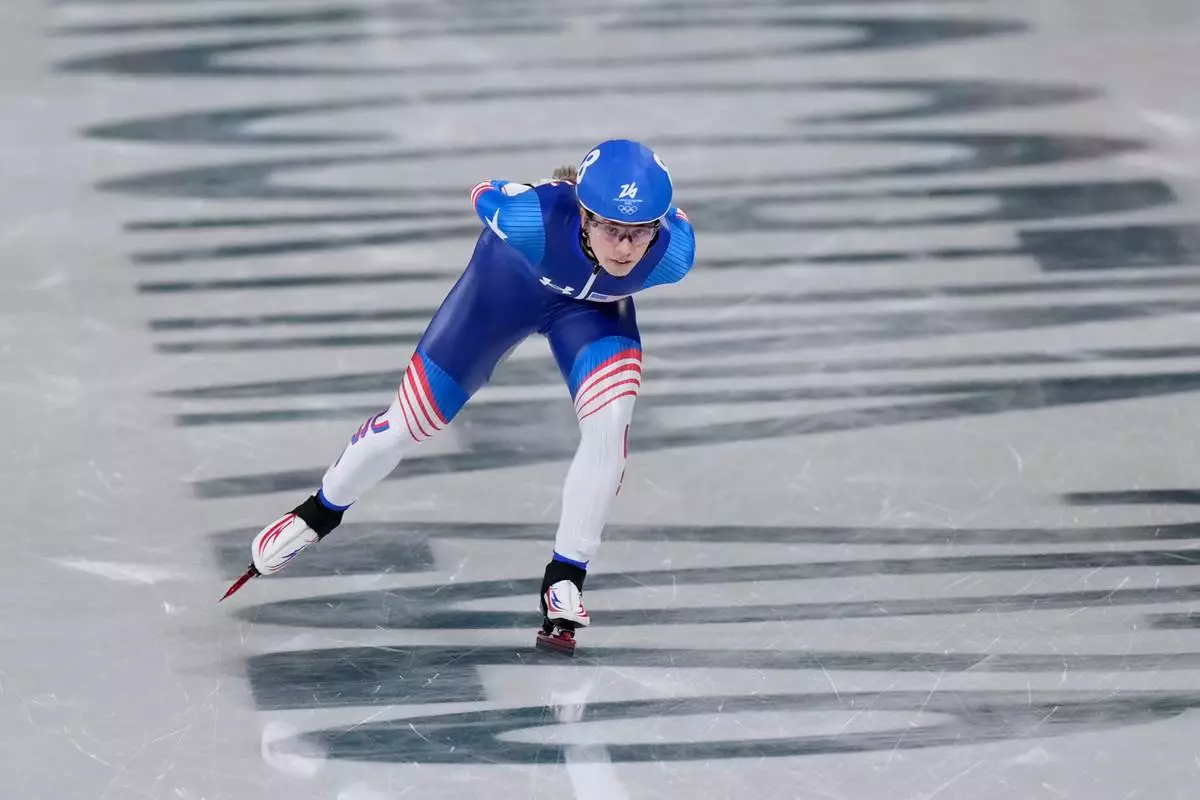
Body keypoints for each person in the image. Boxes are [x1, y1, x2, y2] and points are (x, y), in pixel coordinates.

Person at [229, 138, 697, 655]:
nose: (626, 249)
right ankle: (318, 512)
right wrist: (550, 190)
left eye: (638, 233)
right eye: (611, 229)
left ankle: (565, 576)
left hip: (591, 317)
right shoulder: (528, 219)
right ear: (583, 215)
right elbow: (484, 191)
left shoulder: (673, 253)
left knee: (609, 426)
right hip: (500, 292)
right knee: (412, 424)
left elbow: (667, 223)